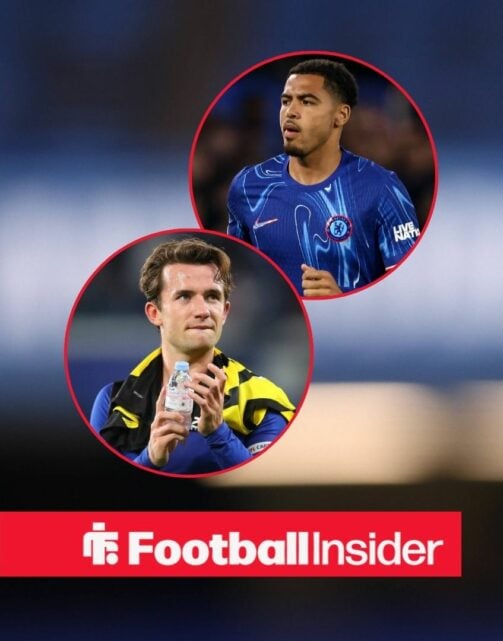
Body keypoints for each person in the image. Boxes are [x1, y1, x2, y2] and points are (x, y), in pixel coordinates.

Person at [90, 237, 295, 475]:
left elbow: (267, 487)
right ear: (155, 313)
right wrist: (151, 458)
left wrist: (217, 432)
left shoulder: (261, 400)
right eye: (184, 296)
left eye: (212, 296)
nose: (202, 311)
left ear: (225, 311)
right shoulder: (114, 403)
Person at [226, 58, 421, 298]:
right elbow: (234, 281)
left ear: (341, 115)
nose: (291, 112)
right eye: (286, 101)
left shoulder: (383, 188)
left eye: (307, 102)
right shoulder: (247, 186)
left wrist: (342, 297)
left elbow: (408, 295)